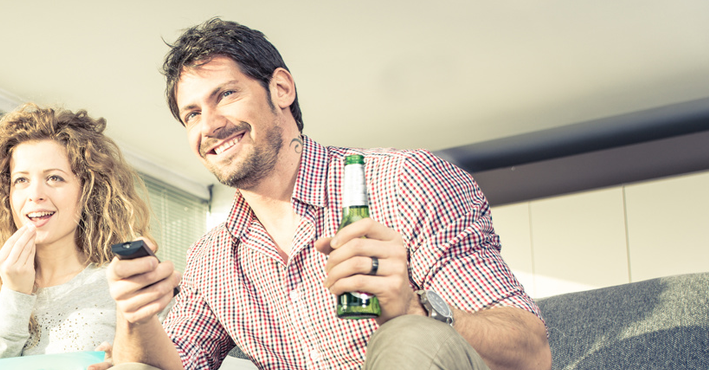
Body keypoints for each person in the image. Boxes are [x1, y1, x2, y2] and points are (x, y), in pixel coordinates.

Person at [107, 18, 551, 370]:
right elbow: (174, 364)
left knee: (409, 335)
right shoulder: (214, 259)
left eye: (225, 94)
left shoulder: (404, 181)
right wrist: (135, 313)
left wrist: (415, 310)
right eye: (191, 114)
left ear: (281, 89)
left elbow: (530, 353)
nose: (209, 125)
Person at [0, 103, 154, 369]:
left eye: (55, 178)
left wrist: (128, 363)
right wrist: (15, 294)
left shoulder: (123, 285)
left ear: (89, 190)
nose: (35, 194)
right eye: (21, 180)